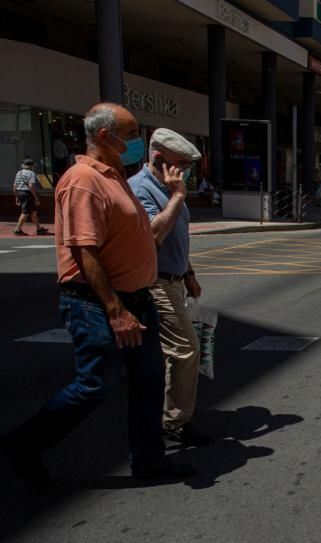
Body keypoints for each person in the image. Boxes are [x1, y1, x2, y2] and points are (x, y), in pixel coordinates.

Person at [0, 103, 197, 488]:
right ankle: (24, 444)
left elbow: (143, 237)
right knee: (95, 385)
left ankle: (149, 460)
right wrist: (115, 310)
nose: (138, 142)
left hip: (138, 298)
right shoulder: (82, 180)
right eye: (132, 133)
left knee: (149, 381)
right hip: (99, 302)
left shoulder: (114, 176)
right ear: (106, 137)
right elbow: (83, 250)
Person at [129, 128, 213, 449]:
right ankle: (176, 422)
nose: (186, 172)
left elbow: (178, 235)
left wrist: (189, 271)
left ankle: (169, 415)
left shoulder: (167, 185)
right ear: (159, 159)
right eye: (182, 163)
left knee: (172, 354)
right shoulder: (141, 189)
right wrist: (178, 196)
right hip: (156, 281)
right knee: (186, 349)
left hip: (174, 279)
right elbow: (151, 236)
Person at [12, 158, 50, 236]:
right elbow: (31, 186)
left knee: (33, 212)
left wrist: (17, 196)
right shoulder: (31, 173)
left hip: (19, 192)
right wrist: (36, 197)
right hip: (27, 194)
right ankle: (17, 230)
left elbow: (14, 186)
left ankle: (39, 229)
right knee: (25, 212)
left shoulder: (19, 173)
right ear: (30, 166)